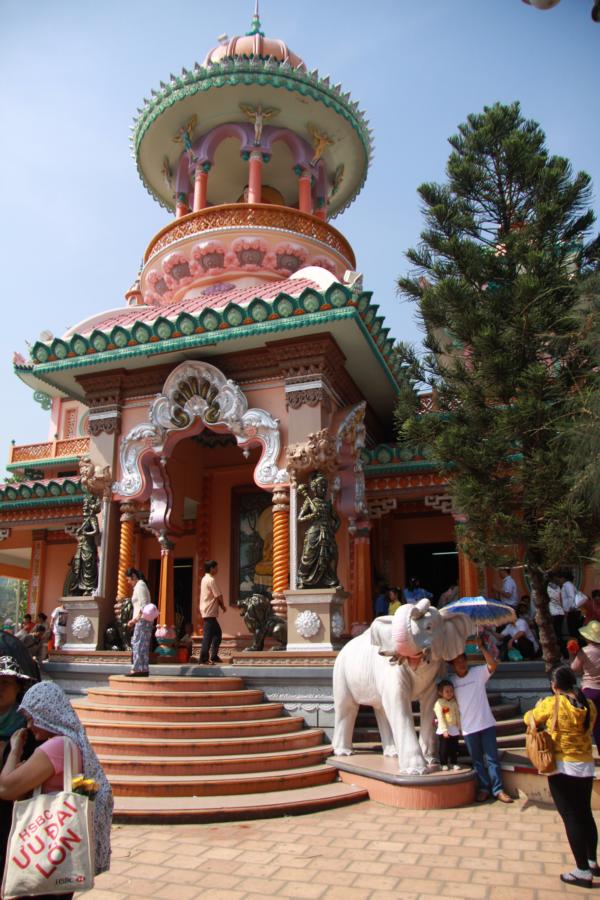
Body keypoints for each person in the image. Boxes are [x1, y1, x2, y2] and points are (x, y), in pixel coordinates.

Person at [0, 680, 113, 894]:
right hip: (61, 850)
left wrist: (15, 748)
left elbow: (6, 789)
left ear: (46, 713)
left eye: (32, 718)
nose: (29, 726)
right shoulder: (70, 743)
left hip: (45, 850)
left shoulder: (55, 747)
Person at [525, 666, 598, 888]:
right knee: (585, 813)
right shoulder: (589, 704)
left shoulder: (552, 702)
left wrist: (536, 708)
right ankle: (592, 861)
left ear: (554, 686)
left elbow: (529, 719)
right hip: (585, 765)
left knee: (571, 816)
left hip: (562, 766)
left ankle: (582, 871)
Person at [449, 636, 513, 803]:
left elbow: (492, 665)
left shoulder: (477, 673)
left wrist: (482, 647)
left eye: (463, 660)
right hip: (469, 728)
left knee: (492, 759)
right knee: (477, 761)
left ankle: (498, 789)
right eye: (457, 662)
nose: (461, 664)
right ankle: (484, 788)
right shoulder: (452, 683)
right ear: (452, 665)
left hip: (486, 723)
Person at [570, 619, 600, 753]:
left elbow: (574, 668)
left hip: (589, 691)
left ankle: (585, 750)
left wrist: (572, 655)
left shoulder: (584, 651)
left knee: (588, 723)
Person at [125, 567, 152, 677]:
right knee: (141, 644)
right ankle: (142, 668)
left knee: (138, 643)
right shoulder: (140, 585)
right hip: (142, 620)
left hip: (142, 620)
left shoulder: (140, 585)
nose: (128, 582)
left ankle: (137, 668)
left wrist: (135, 620)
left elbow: (144, 604)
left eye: (128, 579)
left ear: (134, 577)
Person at [199, 560, 226, 665]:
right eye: (216, 567)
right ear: (211, 568)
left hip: (208, 612)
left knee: (216, 634)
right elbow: (218, 595)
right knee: (208, 636)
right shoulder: (211, 580)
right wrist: (223, 606)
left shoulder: (204, 579)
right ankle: (204, 659)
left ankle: (213, 656)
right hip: (209, 612)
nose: (217, 569)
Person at [434, 679, 462, 770]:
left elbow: (457, 714)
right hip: (444, 729)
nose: (449, 693)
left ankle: (454, 762)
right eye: (447, 691)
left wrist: (459, 727)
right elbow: (440, 717)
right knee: (444, 747)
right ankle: (443, 763)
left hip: (453, 728)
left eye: (451, 691)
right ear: (440, 693)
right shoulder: (439, 704)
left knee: (454, 747)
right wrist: (444, 730)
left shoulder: (454, 702)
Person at [547, 578, 566, 657]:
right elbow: (561, 600)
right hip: (560, 612)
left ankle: (557, 653)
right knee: (559, 634)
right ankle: (563, 653)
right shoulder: (558, 587)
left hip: (553, 612)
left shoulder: (546, 588)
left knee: (554, 634)